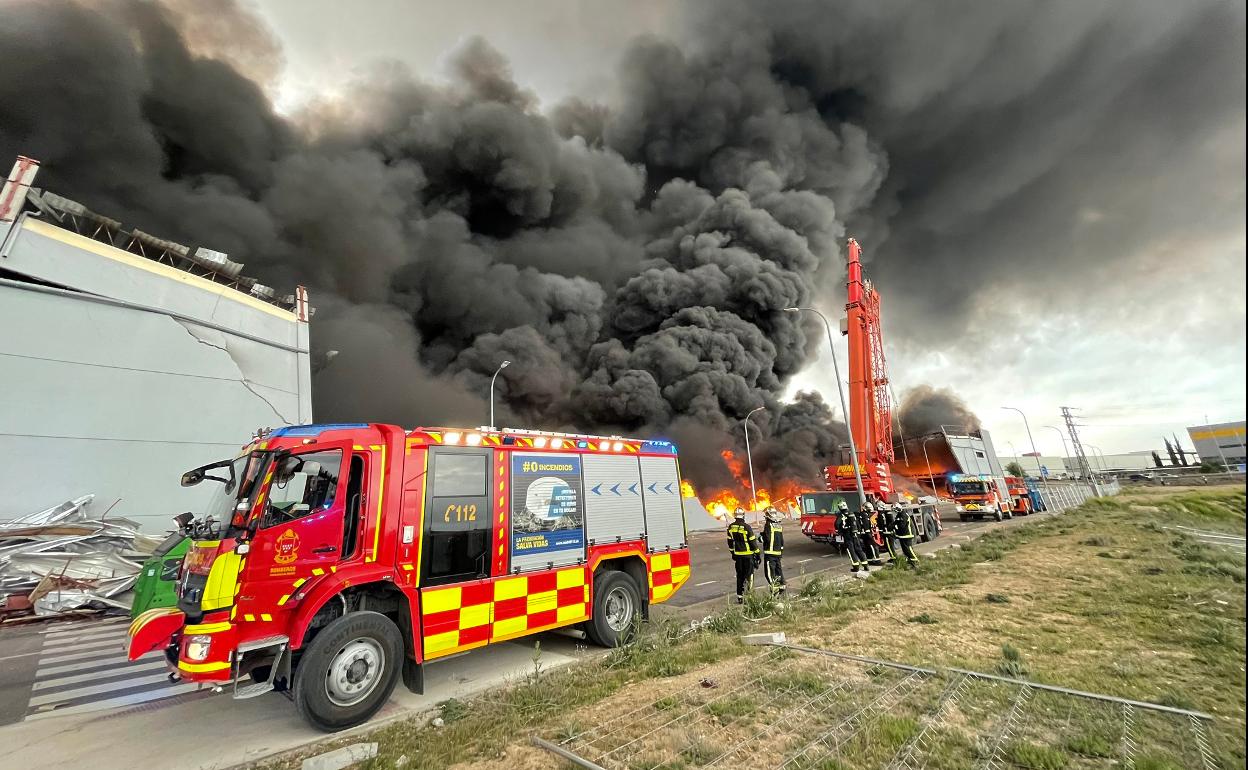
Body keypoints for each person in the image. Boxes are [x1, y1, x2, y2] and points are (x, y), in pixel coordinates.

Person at [726, 507, 760, 603]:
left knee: (740, 576)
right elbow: (753, 542)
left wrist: (733, 553)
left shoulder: (731, 527)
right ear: (743, 515)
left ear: (734, 516)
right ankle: (749, 596)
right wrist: (757, 553)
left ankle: (740, 597)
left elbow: (729, 542)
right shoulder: (746, 527)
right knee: (749, 576)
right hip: (748, 556)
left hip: (738, 556)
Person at [835, 501, 868, 576]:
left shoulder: (841, 515)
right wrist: (858, 533)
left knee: (851, 550)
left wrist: (839, 531)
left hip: (847, 535)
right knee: (858, 549)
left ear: (840, 508)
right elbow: (858, 524)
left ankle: (856, 567)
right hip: (855, 534)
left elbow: (837, 523)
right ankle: (865, 566)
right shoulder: (851, 513)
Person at [760, 506, 786, 597]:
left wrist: (760, 538)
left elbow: (766, 538)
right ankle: (782, 587)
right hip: (778, 553)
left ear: (768, 515)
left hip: (770, 554)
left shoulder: (768, 524)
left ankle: (775, 592)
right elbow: (781, 540)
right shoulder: (778, 525)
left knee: (770, 574)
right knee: (778, 571)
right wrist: (781, 551)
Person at [893, 500, 920, 569]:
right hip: (902, 536)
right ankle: (910, 563)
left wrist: (896, 526)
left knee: (908, 549)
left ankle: (915, 561)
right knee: (905, 550)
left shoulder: (903, 515)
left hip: (907, 535)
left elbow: (901, 525)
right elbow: (895, 523)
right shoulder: (899, 515)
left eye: (895, 509)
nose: (895, 511)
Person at [859, 501, 885, 567]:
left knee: (868, 547)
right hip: (866, 533)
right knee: (873, 546)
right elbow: (866, 525)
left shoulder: (863, 514)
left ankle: (870, 560)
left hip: (865, 533)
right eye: (869, 508)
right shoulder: (864, 515)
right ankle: (876, 560)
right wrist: (868, 533)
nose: (870, 509)